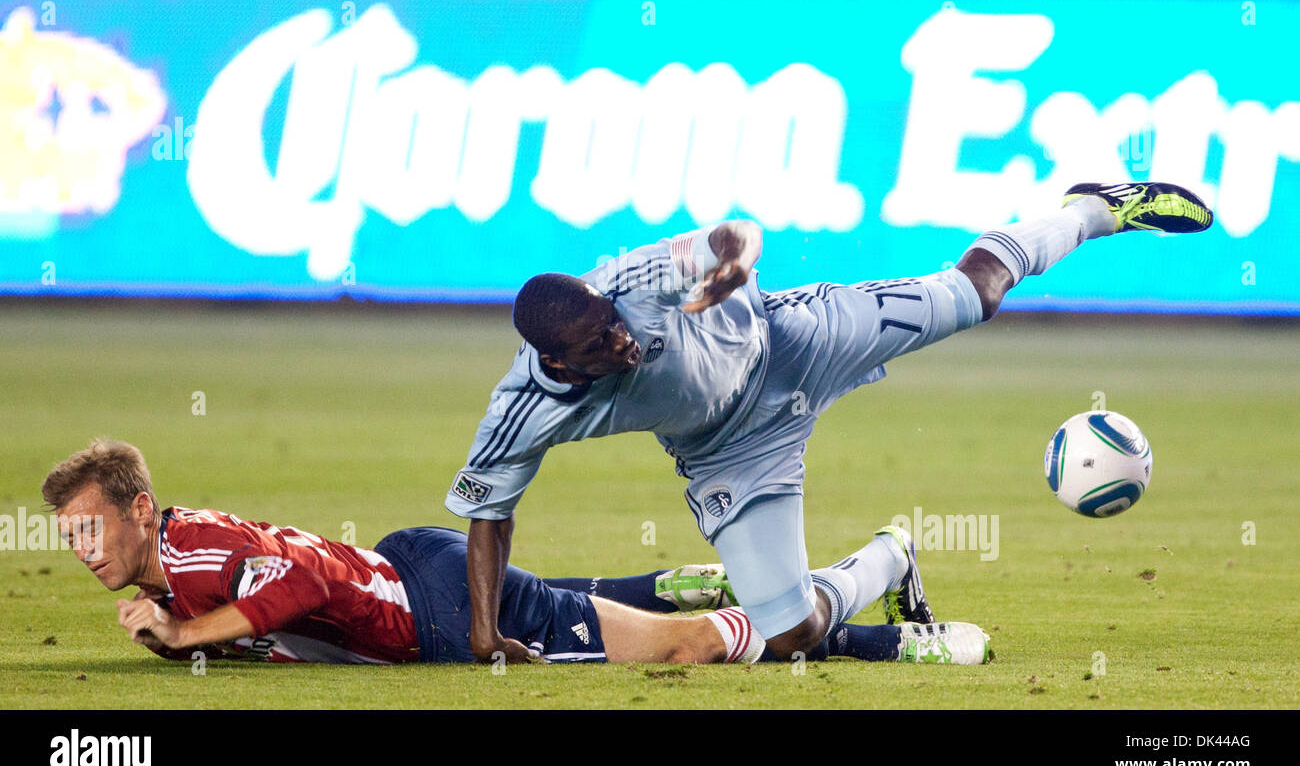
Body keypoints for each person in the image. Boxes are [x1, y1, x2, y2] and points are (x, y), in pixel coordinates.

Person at [448, 182, 1214, 664]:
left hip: (798, 339)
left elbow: (736, 231)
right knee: (792, 634)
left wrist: (732, 269)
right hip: (729, 449)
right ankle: (890, 559)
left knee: (973, 293)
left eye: (612, 325)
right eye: (598, 345)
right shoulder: (525, 409)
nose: (620, 338)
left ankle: (1093, 209)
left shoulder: (629, 284)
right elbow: (489, 515)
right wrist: (484, 633)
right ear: (559, 360)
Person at [44, 440, 992, 666]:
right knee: (612, 608)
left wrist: (187, 634)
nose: (83, 548)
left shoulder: (196, 556)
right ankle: (694, 580)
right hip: (423, 572)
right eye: (69, 536)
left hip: (449, 611)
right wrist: (190, 631)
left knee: (684, 648)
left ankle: (883, 584)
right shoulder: (185, 557)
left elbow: (307, 577)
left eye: (92, 525)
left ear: (139, 508)